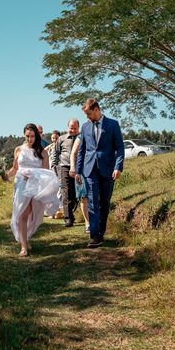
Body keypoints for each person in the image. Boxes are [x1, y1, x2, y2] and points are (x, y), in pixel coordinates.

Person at [3, 123, 60, 256]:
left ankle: (26, 236)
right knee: (22, 213)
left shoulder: (42, 151)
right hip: (21, 184)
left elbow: (46, 172)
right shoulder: (18, 149)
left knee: (33, 213)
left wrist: (33, 175)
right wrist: (6, 175)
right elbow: (15, 168)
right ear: (24, 135)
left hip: (35, 185)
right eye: (27, 136)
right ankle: (23, 246)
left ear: (37, 136)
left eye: (32, 136)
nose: (30, 139)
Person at [75, 98, 124, 248]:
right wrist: (77, 171)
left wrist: (118, 167)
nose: (87, 117)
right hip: (89, 170)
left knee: (104, 202)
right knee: (92, 200)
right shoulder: (84, 127)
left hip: (108, 169)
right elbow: (81, 150)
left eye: (89, 113)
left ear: (97, 110)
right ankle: (94, 235)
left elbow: (120, 148)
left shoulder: (113, 124)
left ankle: (101, 233)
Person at [50, 119, 80, 227]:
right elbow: (56, 154)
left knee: (75, 193)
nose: (72, 130)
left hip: (79, 168)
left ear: (78, 128)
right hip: (64, 167)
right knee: (66, 192)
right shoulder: (61, 139)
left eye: (75, 128)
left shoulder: (82, 138)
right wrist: (54, 168)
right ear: (68, 127)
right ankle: (68, 218)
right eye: (71, 128)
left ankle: (72, 212)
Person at [69, 133, 90, 232]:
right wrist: (73, 167)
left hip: (96, 169)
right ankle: (88, 223)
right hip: (81, 170)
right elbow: (73, 153)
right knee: (83, 196)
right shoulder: (81, 136)